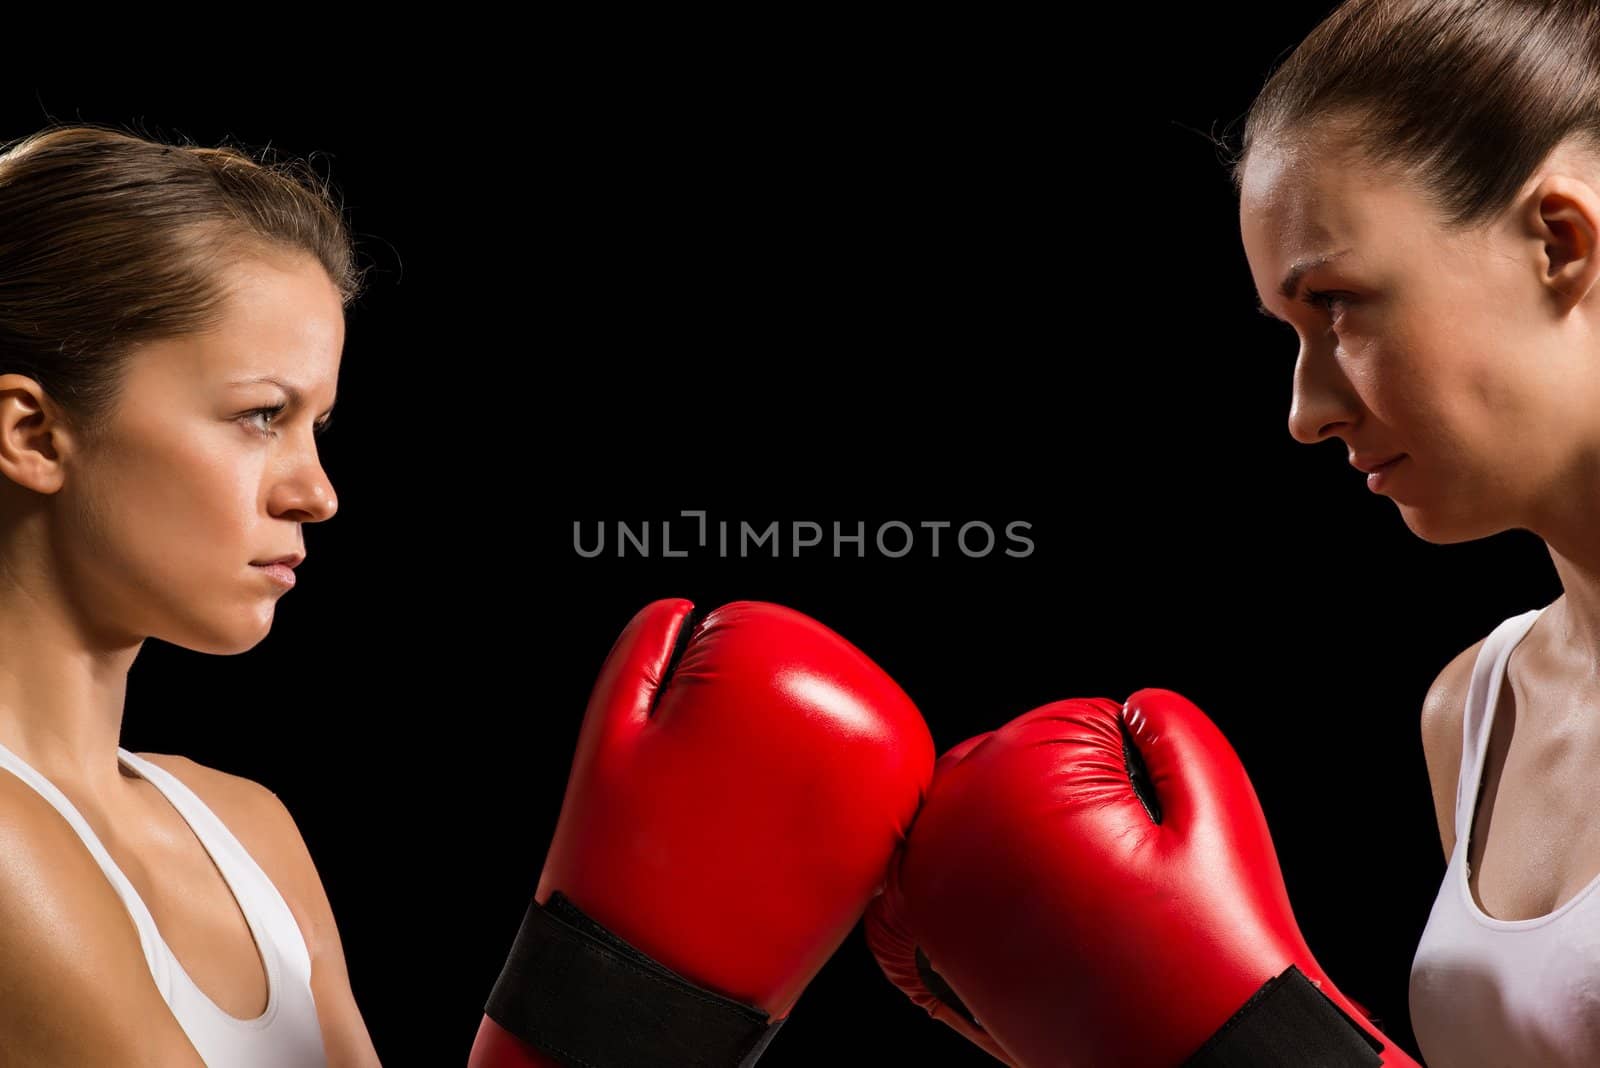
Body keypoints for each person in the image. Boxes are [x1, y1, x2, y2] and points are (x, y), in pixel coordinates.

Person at [1233, 1, 1600, 1063]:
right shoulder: (1474, 712)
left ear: (1557, 243)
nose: (1305, 411)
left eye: (1338, 304)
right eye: (1291, 333)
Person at [0, 123, 380, 1067]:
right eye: (260, 415)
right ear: (34, 433)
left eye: (316, 425)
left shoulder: (250, 830)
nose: (317, 492)